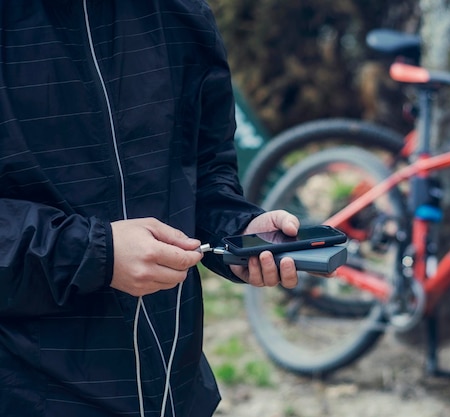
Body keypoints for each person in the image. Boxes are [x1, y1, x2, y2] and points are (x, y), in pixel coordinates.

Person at [0, 1, 301, 416]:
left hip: (175, 390)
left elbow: (205, 169)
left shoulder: (182, 11)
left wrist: (238, 230)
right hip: (30, 392)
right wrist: (94, 254)